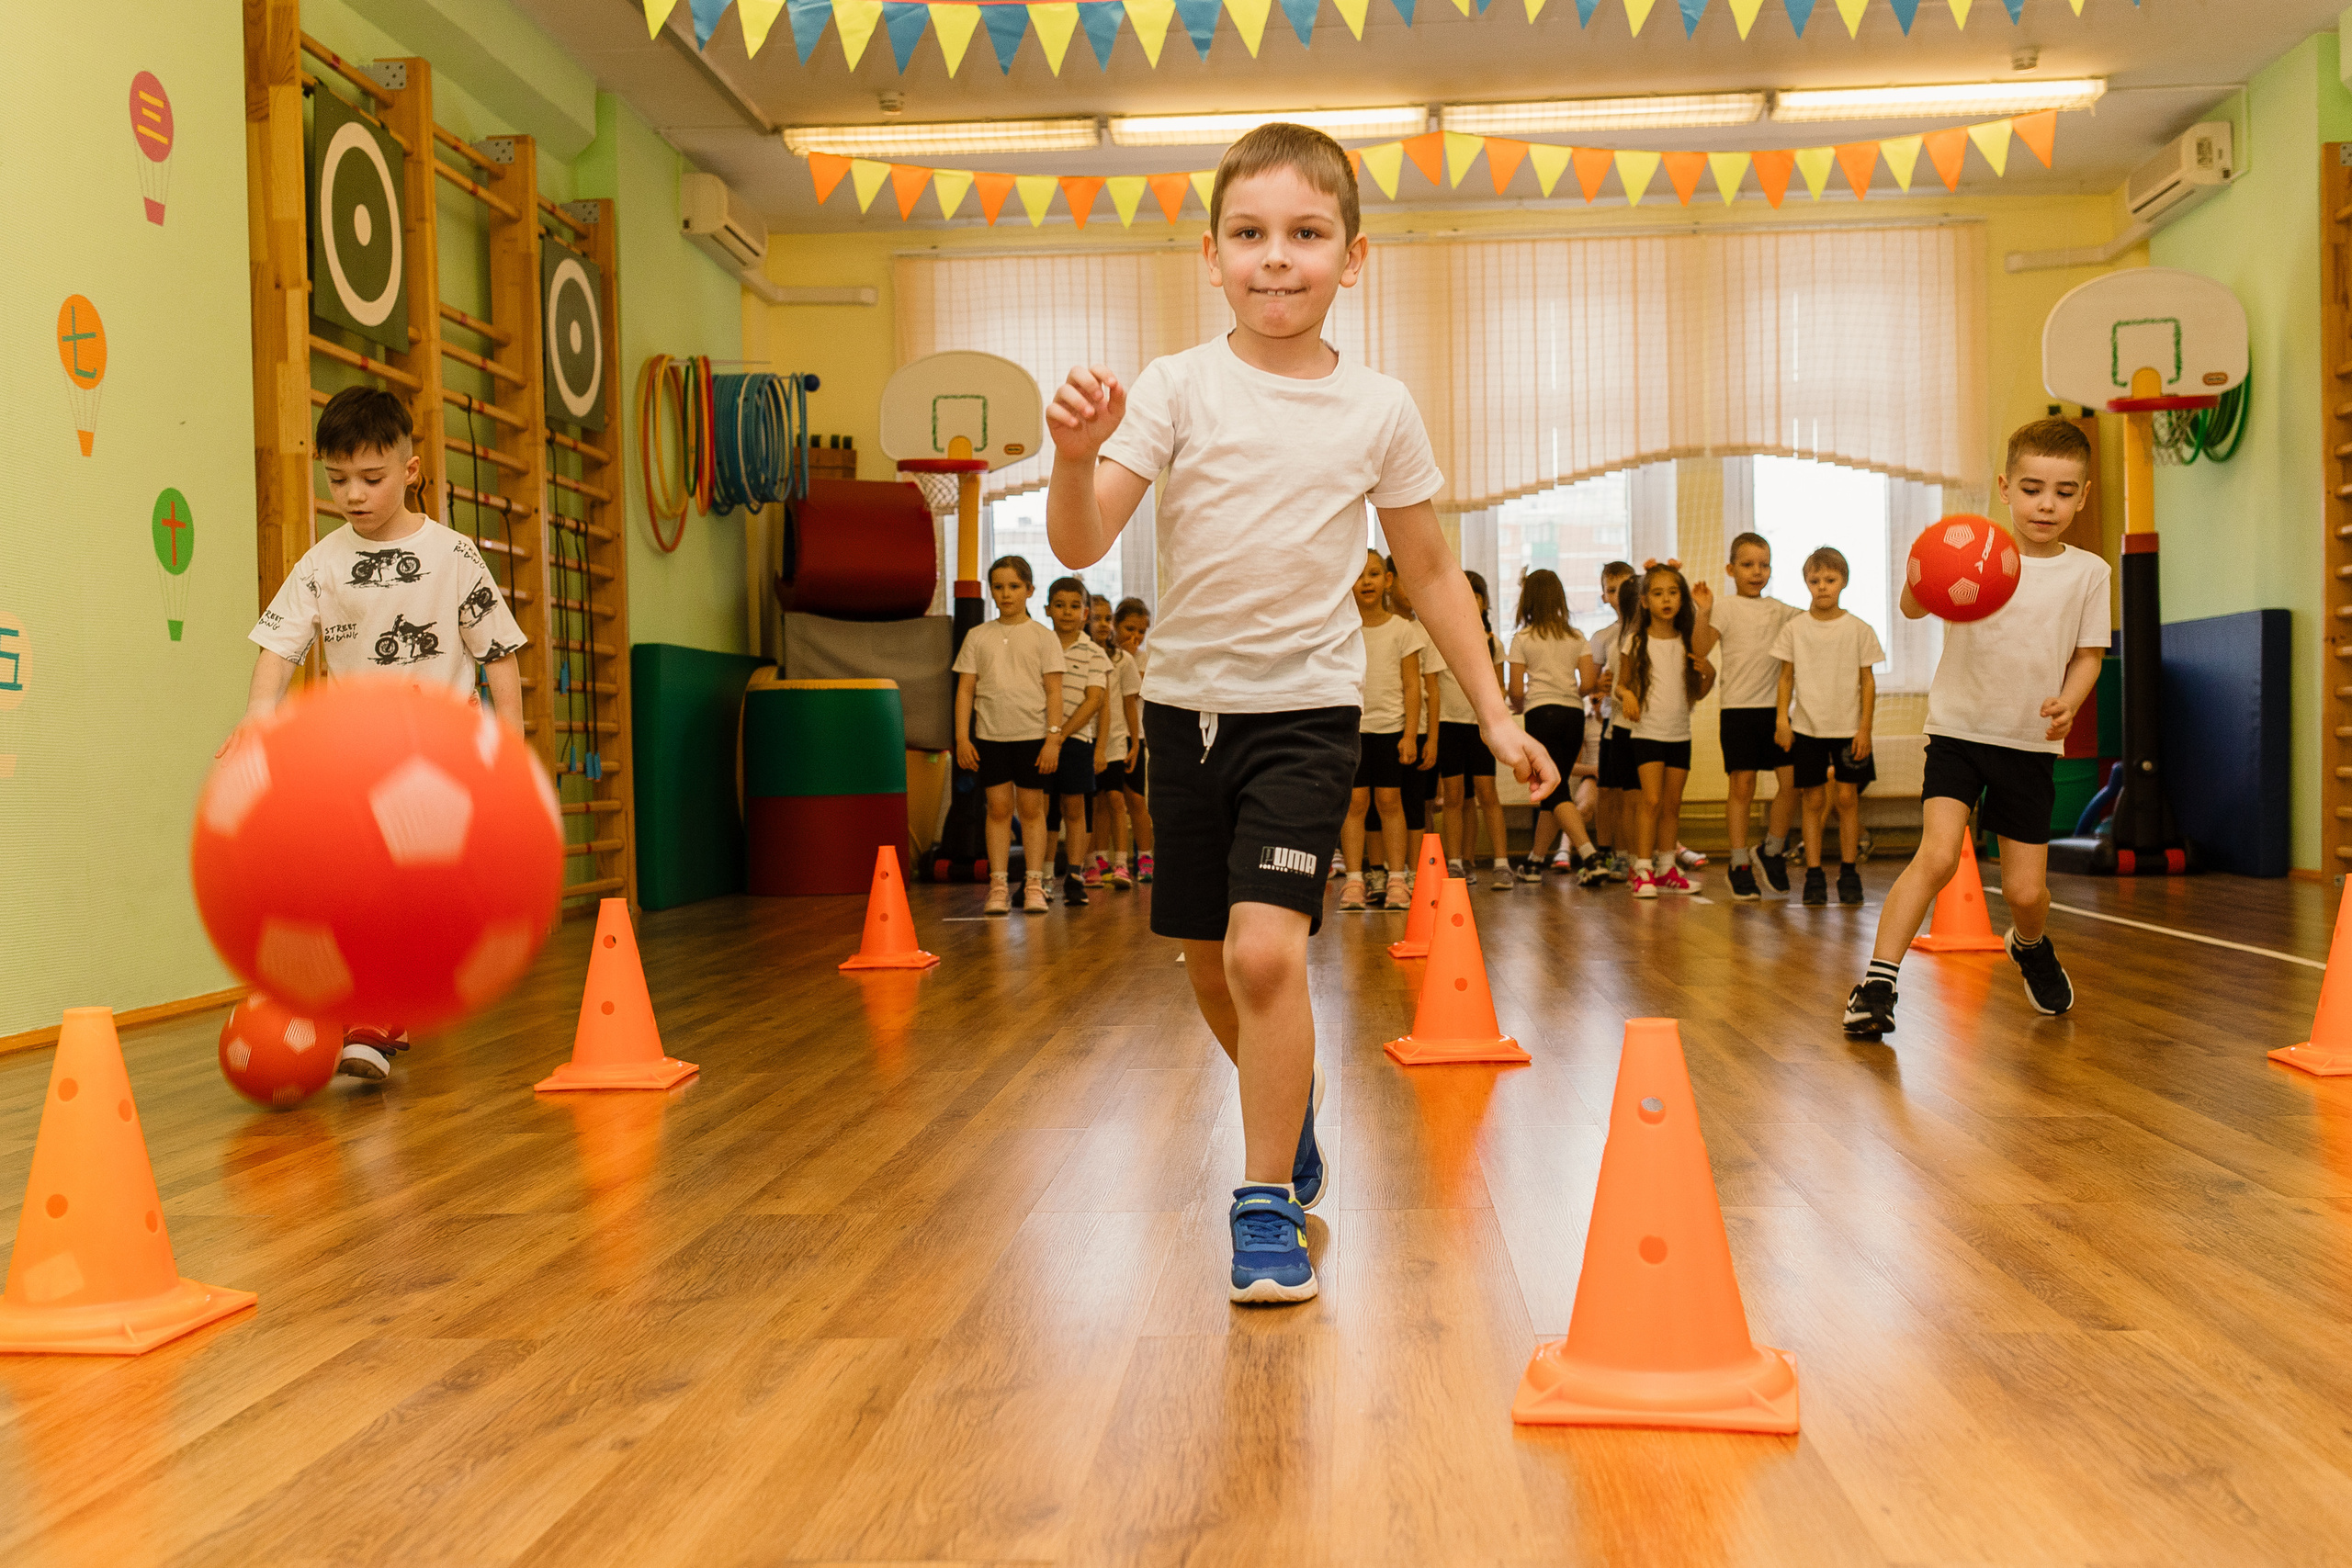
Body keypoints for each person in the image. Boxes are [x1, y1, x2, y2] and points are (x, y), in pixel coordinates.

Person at [1044, 122, 1555, 1303]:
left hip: (1307, 715)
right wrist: (1072, 457)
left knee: (1265, 950)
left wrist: (1494, 713)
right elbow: (1079, 540)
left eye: (1306, 235)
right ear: (1210, 254)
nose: (1278, 259)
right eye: (1251, 234)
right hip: (1183, 717)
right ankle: (1295, 1100)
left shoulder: (1378, 408)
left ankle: (1264, 1199)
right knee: (1207, 962)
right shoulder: (1174, 386)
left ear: (1353, 257)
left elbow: (1429, 573)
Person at [232, 386, 527, 1084]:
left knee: (399, 889)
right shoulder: (322, 563)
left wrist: (508, 741)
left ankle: (375, 1015)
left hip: (438, 759)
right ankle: (348, 1004)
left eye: (372, 478)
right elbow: (279, 646)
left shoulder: (454, 556)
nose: (353, 495)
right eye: (338, 480)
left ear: (412, 469)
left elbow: (500, 653)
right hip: (352, 757)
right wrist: (257, 713)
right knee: (341, 884)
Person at [1845, 419, 2109, 1040]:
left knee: (2025, 892)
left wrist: (2070, 702)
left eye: (2065, 491)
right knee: (1937, 855)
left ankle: (2030, 945)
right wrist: (1929, 564)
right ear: (2005, 487)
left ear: (2084, 494)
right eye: (2034, 487)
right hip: (1959, 731)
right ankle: (1878, 983)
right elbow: (1914, 605)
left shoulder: (2089, 573)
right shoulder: (1977, 551)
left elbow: (2089, 655)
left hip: (2028, 744)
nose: (2048, 503)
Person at [952, 556, 1066, 916]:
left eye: (1014, 586)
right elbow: (966, 691)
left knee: (1032, 810)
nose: (1006, 594)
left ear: (1030, 590)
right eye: (999, 587)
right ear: (991, 591)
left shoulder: (1044, 638)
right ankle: (998, 885)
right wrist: (962, 737)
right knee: (999, 809)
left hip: (1033, 736)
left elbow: (1054, 692)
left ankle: (1034, 883)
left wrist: (1052, 738)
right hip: (990, 737)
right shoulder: (977, 636)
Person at [1771, 547, 1882, 908]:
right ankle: (1814, 875)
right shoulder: (1795, 629)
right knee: (1813, 800)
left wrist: (1864, 729)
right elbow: (1786, 678)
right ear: (1806, 583)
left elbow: (1868, 683)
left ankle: (1849, 873)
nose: (1822, 587)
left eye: (1830, 580)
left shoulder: (1859, 630)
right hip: (1806, 729)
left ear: (1843, 582)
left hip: (1849, 729)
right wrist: (1782, 720)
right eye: (1815, 581)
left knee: (1848, 799)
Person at [1613, 563, 1716, 897]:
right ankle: (1642, 867)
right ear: (1644, 602)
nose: (1666, 600)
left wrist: (1710, 674)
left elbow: (1696, 693)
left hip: (1679, 734)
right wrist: (1628, 695)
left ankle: (1667, 867)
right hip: (1647, 732)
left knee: (1672, 804)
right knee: (1651, 800)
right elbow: (1620, 685)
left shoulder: (1687, 641)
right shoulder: (1636, 641)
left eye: (1673, 593)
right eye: (1658, 594)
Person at [1713, 533, 1803, 901]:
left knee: (1792, 782)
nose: (1757, 572)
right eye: (1748, 565)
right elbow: (1700, 647)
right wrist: (1702, 611)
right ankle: (1738, 863)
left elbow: (1815, 619)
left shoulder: (1780, 610)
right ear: (1731, 569)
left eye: (1764, 565)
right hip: (1737, 710)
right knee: (1743, 785)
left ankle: (1771, 849)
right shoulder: (1724, 607)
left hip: (1776, 712)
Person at [1507, 568, 1606, 886]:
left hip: (1540, 715)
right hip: (1572, 716)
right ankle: (1535, 862)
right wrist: (1570, 695)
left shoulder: (1522, 638)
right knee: (1555, 787)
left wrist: (1520, 707)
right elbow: (1589, 682)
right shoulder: (1576, 637)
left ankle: (1590, 856)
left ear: (1528, 600)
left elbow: (1516, 691)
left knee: (1553, 788)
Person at [1340, 551, 1422, 913]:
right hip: (1352, 732)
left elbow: (1412, 688)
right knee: (1355, 804)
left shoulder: (1403, 630)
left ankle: (1397, 880)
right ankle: (1355, 880)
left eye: (1374, 574)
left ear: (1388, 580)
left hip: (1390, 731)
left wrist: (1410, 734)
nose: (1367, 581)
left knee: (1390, 803)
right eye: (1359, 575)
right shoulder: (1343, 632)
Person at [1439, 570, 1513, 889]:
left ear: (1484, 603)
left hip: (1480, 728)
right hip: (1448, 726)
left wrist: (1495, 706)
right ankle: (1454, 862)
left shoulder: (1492, 642)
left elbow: (1500, 686)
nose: (1470, 601)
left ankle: (1501, 863)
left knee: (1487, 794)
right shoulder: (1440, 635)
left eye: (1476, 595)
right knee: (1455, 797)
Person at [1044, 577, 1112, 906]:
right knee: (1043, 809)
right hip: (1040, 740)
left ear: (1085, 613)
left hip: (1075, 741)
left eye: (1074, 606)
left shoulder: (1095, 654)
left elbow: (1094, 700)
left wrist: (1062, 734)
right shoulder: (1039, 645)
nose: (1067, 612)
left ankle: (1074, 875)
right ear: (1047, 609)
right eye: (1059, 605)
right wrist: (1048, 736)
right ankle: (1040, 877)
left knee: (1074, 807)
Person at [1386, 555, 1446, 879]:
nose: (1411, 589)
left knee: (1415, 804)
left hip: (1417, 730)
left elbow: (1432, 689)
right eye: (1404, 580)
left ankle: (1414, 872)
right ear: (1389, 581)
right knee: (1382, 803)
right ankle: (1385, 870)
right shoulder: (1373, 626)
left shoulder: (1425, 630)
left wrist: (1432, 738)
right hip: (1382, 728)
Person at [1587, 561, 1640, 881]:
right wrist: (1600, 689)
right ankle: (1607, 852)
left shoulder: (1647, 633)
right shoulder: (1603, 637)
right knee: (1609, 791)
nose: (1617, 595)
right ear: (1604, 595)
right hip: (1612, 723)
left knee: (1633, 794)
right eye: (1610, 590)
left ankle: (1631, 854)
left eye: (1623, 588)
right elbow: (1593, 688)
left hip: (1642, 724)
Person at [1089, 594, 1136, 889]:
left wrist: (1134, 742)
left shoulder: (1123, 660)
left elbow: (1130, 703)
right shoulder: (1076, 654)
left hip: (1116, 742)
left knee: (1116, 800)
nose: (1103, 625)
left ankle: (1121, 863)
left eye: (1108, 619)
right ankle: (1094, 861)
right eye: (1096, 618)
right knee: (1093, 803)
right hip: (1086, 740)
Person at [1114, 597, 1155, 884]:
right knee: (1108, 801)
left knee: (1137, 799)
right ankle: (1107, 860)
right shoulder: (1105, 655)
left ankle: (1146, 857)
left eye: (1141, 631)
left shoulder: (1143, 658)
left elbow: (1142, 689)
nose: (1135, 637)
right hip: (1106, 735)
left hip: (1135, 735)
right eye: (1129, 629)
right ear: (1115, 625)